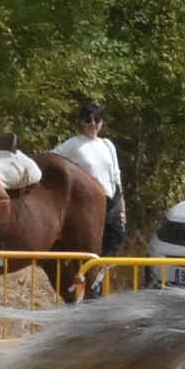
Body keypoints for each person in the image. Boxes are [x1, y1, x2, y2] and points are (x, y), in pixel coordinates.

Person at [49, 100, 127, 256]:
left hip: (111, 201)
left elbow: (115, 176)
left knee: (114, 241)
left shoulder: (108, 145)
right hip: (87, 202)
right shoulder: (74, 144)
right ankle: (87, 277)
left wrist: (122, 208)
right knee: (89, 245)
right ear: (81, 122)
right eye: (88, 120)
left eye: (97, 119)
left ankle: (99, 277)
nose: (93, 124)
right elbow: (51, 158)